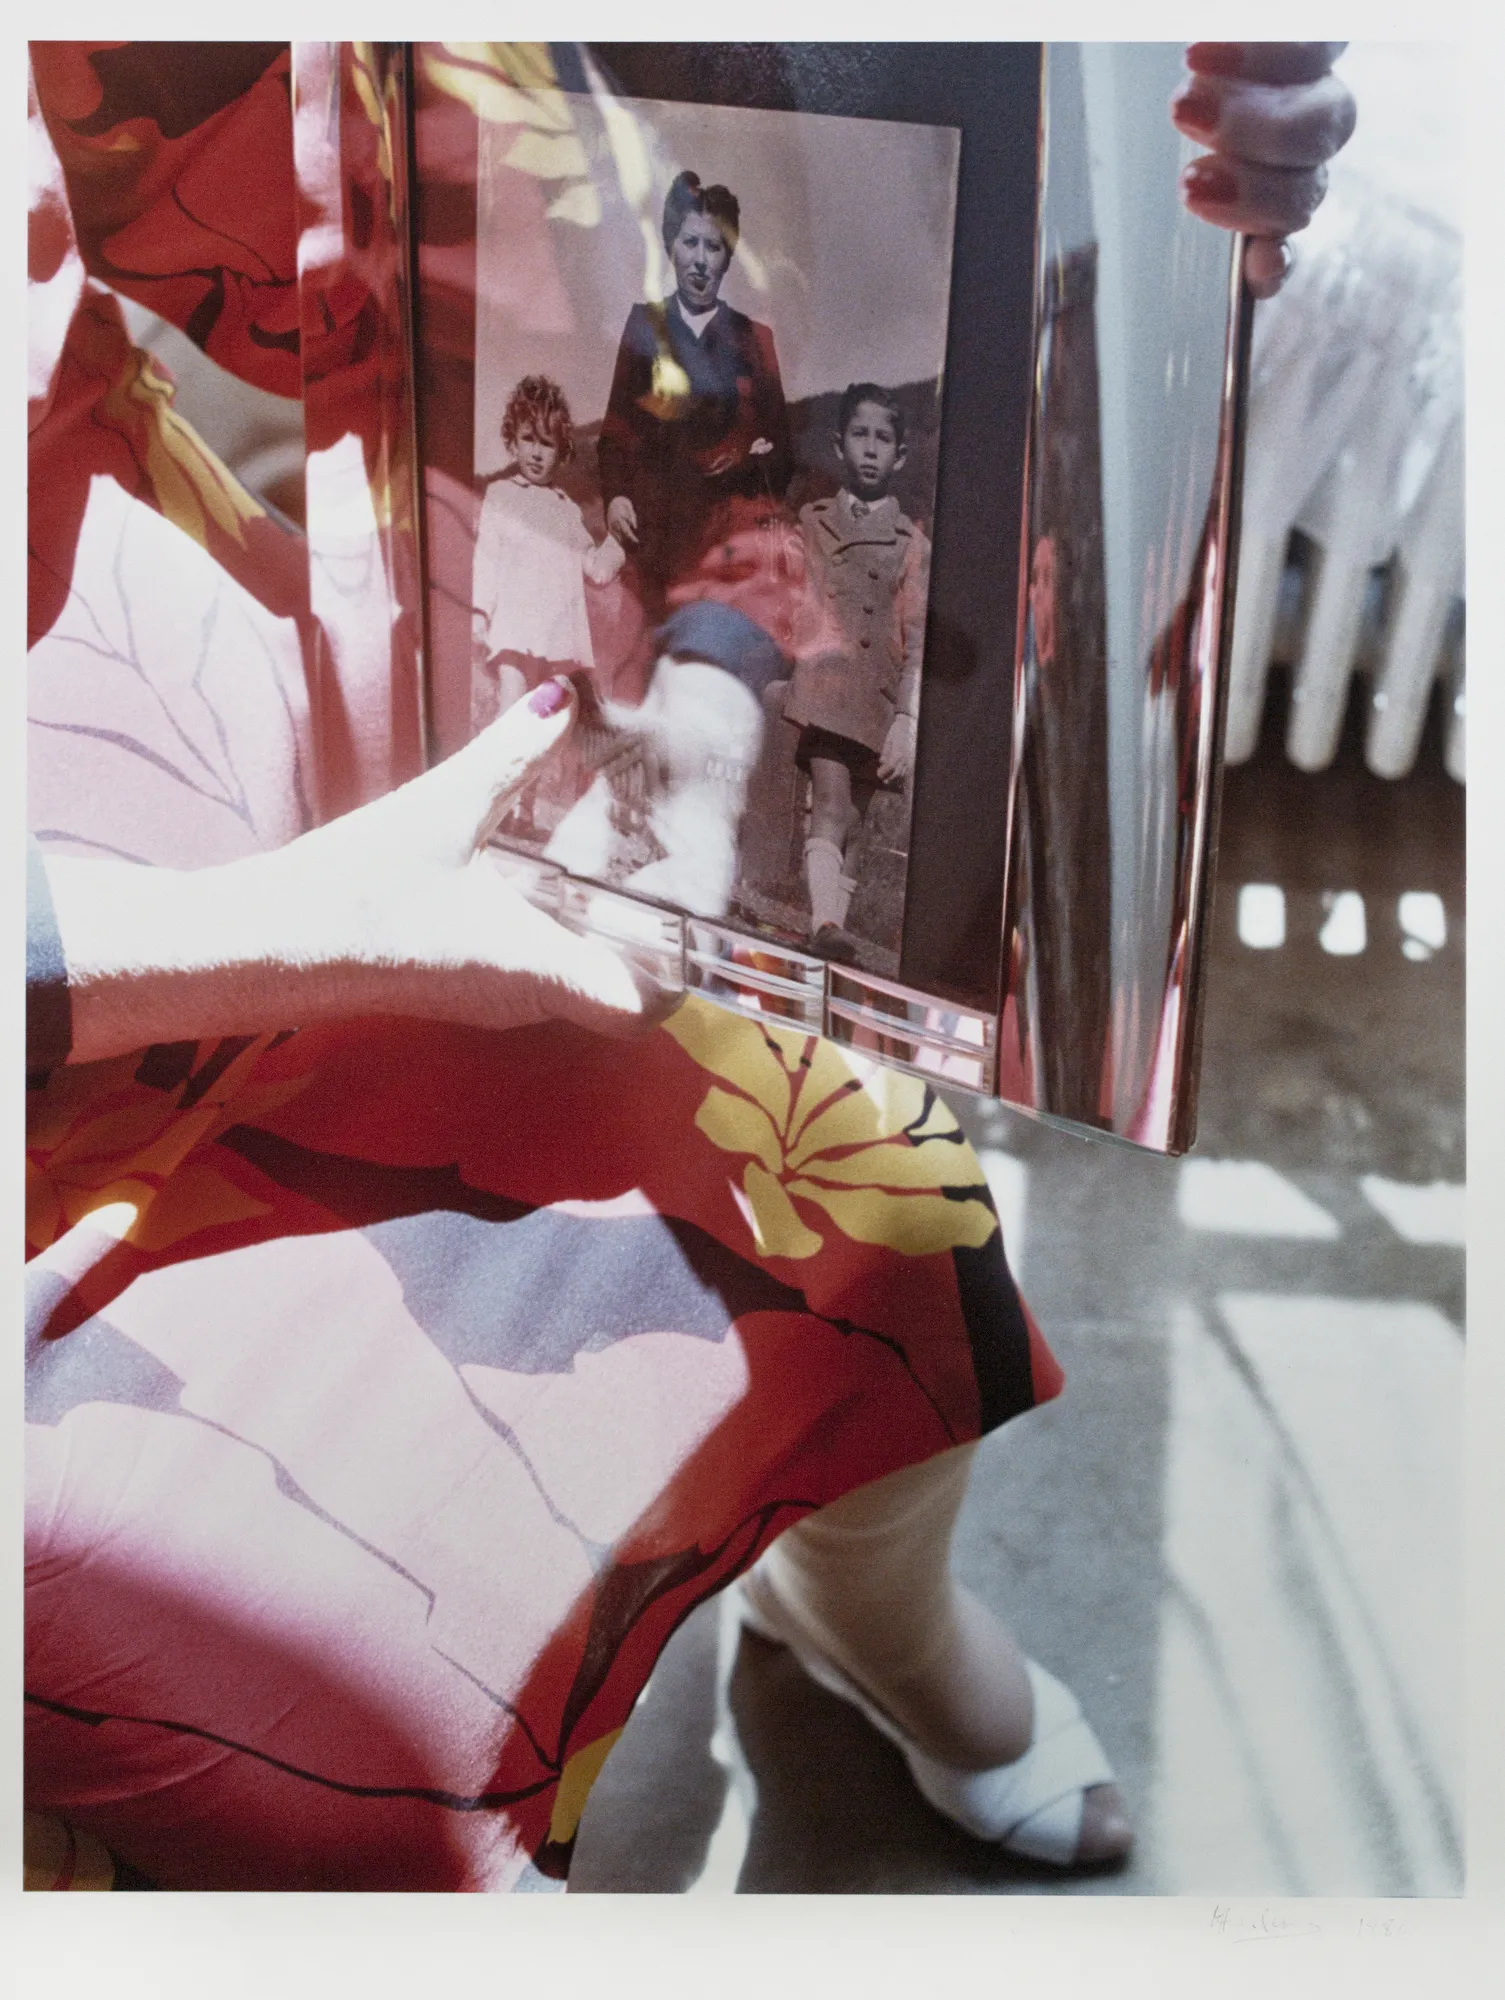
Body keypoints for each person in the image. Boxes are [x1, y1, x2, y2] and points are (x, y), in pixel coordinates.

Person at [24, 39, 1357, 1892]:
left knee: (867, 1189)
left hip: (242, 693)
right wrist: (284, 929)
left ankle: (864, 1616)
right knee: (313, 1718)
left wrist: (1121, 239)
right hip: (106, 1013)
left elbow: (357, 219)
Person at [596, 170, 793, 623]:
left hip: (728, 547)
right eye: (690, 243)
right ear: (670, 247)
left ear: (728, 258)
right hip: (655, 539)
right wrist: (615, 498)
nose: (701, 259)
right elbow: (614, 432)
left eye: (715, 246)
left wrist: (746, 455)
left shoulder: (755, 339)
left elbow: (785, 454)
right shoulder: (644, 325)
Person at [782, 383, 929, 960]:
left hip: (878, 700)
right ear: (840, 445)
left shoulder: (911, 543)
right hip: (825, 689)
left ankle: (829, 937)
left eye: (883, 438)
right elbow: (787, 594)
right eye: (861, 435)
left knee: (855, 825)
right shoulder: (813, 522)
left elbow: (916, 638)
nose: (871, 448)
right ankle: (823, 925)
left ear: (901, 454)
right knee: (833, 801)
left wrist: (907, 717)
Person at [470, 374, 626, 735]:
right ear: (514, 440)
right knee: (511, 710)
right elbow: (487, 558)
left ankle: (532, 787)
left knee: (550, 726)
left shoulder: (566, 509)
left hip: (558, 639)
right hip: (515, 631)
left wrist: (618, 540)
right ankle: (500, 783)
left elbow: (595, 568)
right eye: (529, 439)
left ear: (561, 450)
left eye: (548, 443)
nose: (537, 453)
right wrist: (479, 613)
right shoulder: (501, 495)